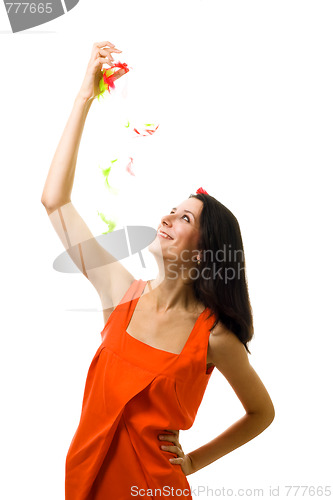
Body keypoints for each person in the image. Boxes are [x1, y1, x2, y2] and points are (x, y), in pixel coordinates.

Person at [41, 41, 275, 500]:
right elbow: (55, 201)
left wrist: (191, 462)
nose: (167, 218)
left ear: (207, 251)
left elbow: (261, 413)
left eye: (185, 218)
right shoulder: (121, 293)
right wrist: (83, 99)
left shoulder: (214, 337)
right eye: (171, 210)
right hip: (83, 482)